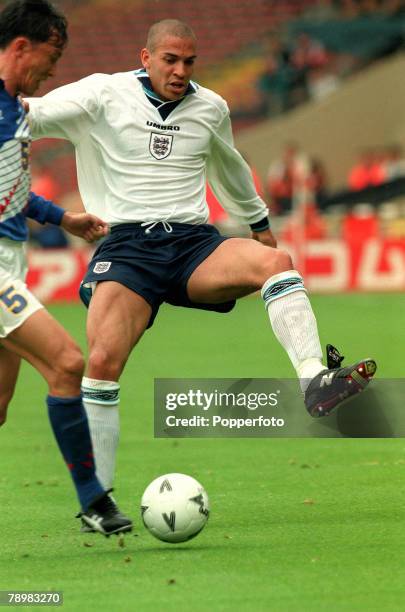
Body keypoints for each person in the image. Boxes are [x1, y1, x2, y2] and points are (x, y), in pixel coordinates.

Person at [27, 19, 376, 493]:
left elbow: (229, 168)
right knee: (103, 360)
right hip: (127, 247)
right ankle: (98, 498)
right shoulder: (101, 94)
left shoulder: (210, 107)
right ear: (145, 58)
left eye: (189, 62)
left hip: (193, 244)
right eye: (170, 60)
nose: (180, 71)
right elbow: (32, 114)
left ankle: (314, 379)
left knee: (276, 264)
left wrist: (259, 227)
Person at [0, 0, 132, 536]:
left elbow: (13, 192)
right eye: (49, 60)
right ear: (20, 47)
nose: (51, 74)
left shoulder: (16, 110)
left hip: (12, 261)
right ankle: (94, 500)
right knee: (66, 361)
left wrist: (65, 219)